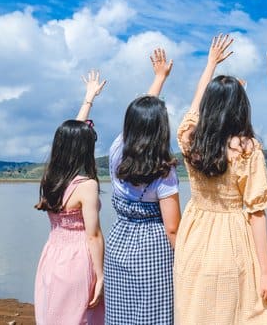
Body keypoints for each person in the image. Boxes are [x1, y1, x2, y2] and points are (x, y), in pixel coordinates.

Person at [174, 34, 267, 324]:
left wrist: (210, 65)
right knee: (237, 311)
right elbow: (256, 212)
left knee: (196, 311)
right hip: (232, 236)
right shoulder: (247, 150)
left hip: (194, 232)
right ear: (241, 108)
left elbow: (195, 106)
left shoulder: (189, 139)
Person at [104, 48, 181, 325]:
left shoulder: (116, 150)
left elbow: (140, 116)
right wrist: (189, 259)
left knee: (121, 314)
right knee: (156, 315)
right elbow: (172, 228)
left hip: (119, 243)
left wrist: (158, 78)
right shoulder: (165, 170)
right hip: (154, 251)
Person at [34, 70, 107, 324]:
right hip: (78, 259)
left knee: (54, 314)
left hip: (52, 255)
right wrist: (100, 275)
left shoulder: (52, 178)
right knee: (80, 317)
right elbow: (93, 235)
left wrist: (88, 99)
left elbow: (71, 137)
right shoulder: (86, 186)